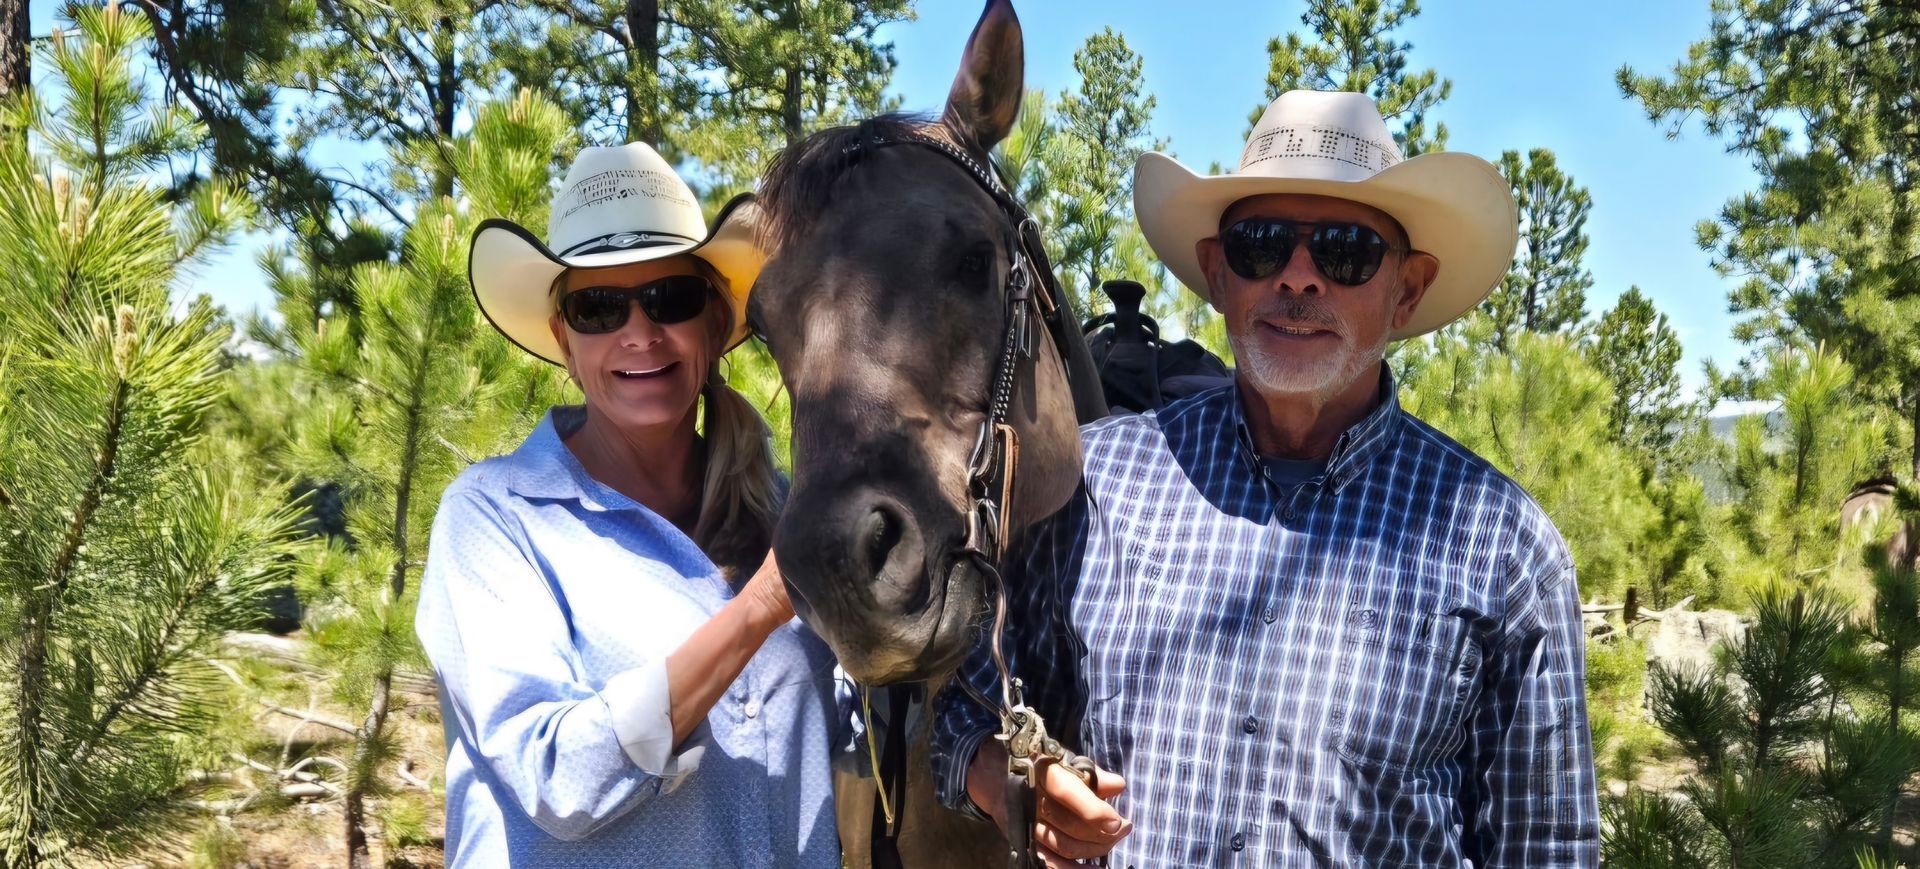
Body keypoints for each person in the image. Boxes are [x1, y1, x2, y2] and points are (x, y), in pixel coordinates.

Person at [932, 90, 1602, 867]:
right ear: (1219, 274)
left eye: (1347, 251)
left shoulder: (1502, 546)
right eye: (1262, 244)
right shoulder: (1098, 483)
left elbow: (1547, 847)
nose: (1300, 278)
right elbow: (965, 705)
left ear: (1408, 289)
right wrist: (1008, 778)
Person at [417, 143, 842, 867]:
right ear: (564, 339)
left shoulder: (782, 511)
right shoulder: (491, 518)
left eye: (670, 298)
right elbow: (556, 775)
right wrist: (759, 607)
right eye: (600, 307)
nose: (639, 332)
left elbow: (856, 722)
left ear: (713, 322)